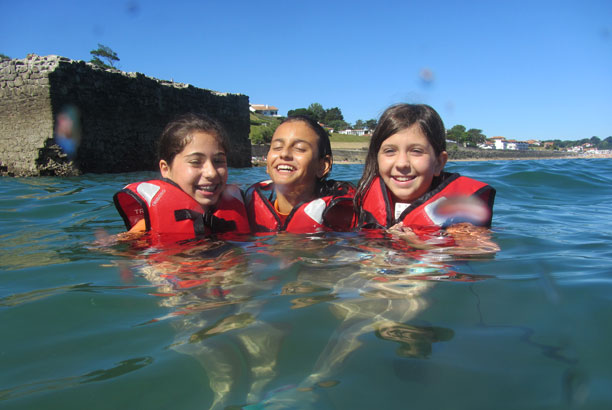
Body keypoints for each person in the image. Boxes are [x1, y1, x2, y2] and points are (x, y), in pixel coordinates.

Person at [354, 103, 496, 234]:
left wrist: (420, 243)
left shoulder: (459, 218)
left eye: (416, 151)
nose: (402, 163)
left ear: (439, 163)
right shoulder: (357, 208)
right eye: (390, 151)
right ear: (376, 159)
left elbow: (483, 251)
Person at [113, 113, 250, 242]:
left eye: (219, 161)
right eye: (196, 162)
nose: (211, 173)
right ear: (166, 169)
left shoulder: (245, 212)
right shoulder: (146, 229)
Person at [245, 115, 355, 233]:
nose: (284, 154)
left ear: (322, 166)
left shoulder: (341, 223)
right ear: (267, 164)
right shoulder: (246, 214)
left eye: (299, 148)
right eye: (277, 147)